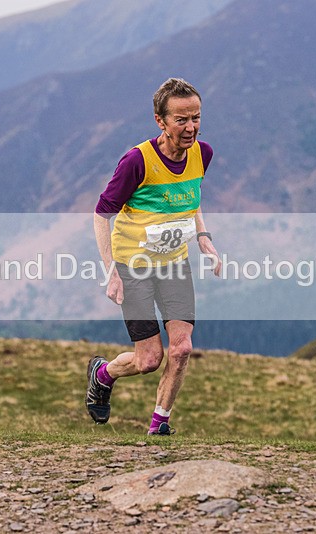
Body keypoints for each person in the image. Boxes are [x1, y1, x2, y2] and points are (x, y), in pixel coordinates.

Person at [87, 77, 221, 435]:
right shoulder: (137, 161)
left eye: (195, 117)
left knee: (182, 349)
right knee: (149, 359)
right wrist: (111, 271)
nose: (190, 127)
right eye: (181, 119)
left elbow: (190, 196)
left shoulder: (202, 153)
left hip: (174, 263)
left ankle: (159, 426)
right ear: (161, 121)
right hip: (135, 265)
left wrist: (203, 236)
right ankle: (103, 373)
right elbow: (102, 214)